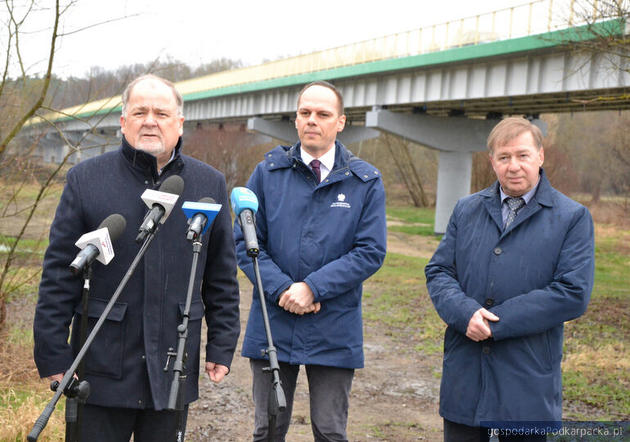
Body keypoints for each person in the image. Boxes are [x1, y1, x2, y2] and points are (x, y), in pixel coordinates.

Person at [33, 74, 240, 441]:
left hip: (172, 367)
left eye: (161, 113)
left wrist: (222, 345)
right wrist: (53, 354)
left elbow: (221, 275)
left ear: (179, 123)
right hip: (98, 371)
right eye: (139, 111)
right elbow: (58, 275)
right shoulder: (86, 180)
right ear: (123, 121)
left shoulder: (210, 184)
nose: (150, 120)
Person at [425, 117, 595, 442]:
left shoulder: (571, 218)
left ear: (540, 156)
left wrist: (495, 323)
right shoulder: (466, 209)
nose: (513, 166)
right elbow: (439, 271)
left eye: (522, 155)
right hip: (466, 376)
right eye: (504, 157)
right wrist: (466, 314)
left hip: (527, 382)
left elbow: (572, 292)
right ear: (492, 162)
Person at [234, 80, 387, 441]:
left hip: (334, 324)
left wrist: (313, 288)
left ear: (341, 122)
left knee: (331, 431)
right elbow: (245, 241)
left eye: (323, 114)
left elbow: (370, 251)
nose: (312, 121)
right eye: (305, 113)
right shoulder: (267, 174)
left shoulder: (365, 181)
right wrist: (284, 289)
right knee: (267, 429)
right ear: (296, 119)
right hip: (274, 319)